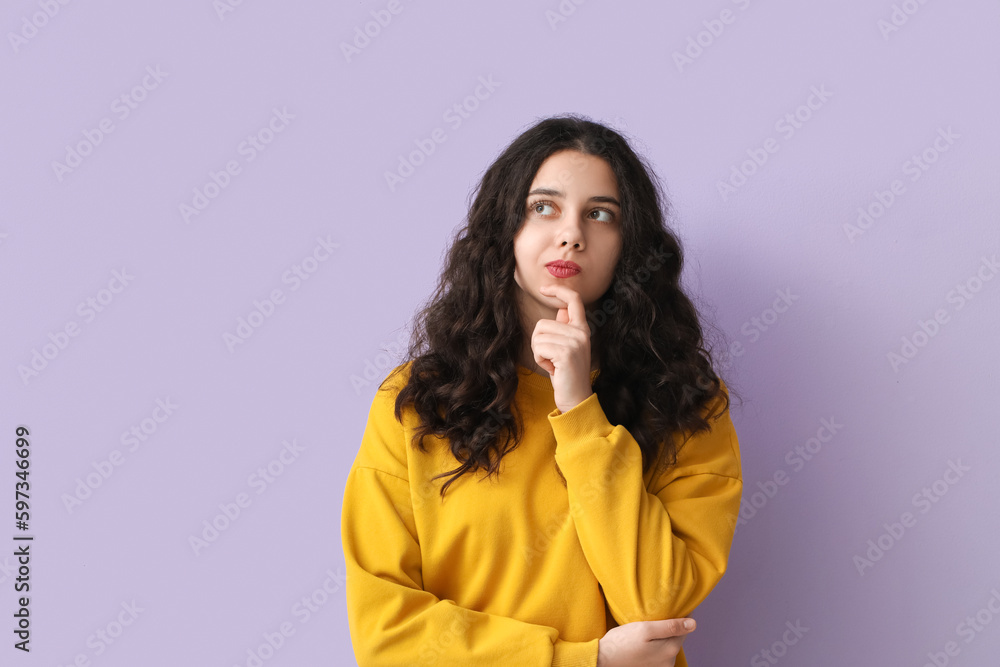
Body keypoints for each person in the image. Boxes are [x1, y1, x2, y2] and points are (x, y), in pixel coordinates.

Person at [341, 114, 743, 666]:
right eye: (543, 207)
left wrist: (580, 410)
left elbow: (658, 602)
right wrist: (584, 662)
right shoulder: (417, 401)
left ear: (630, 245)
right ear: (505, 228)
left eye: (600, 214)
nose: (572, 233)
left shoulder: (689, 401)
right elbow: (386, 634)